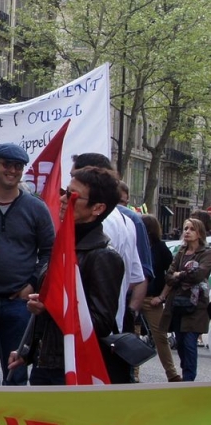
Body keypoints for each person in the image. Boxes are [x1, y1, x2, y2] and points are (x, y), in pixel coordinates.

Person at [11, 167, 127, 384]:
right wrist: (28, 350)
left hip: (73, 369)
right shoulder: (65, 244)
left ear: (98, 208)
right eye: (65, 191)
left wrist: (50, 307)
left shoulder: (103, 257)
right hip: (47, 363)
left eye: (72, 195)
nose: (63, 199)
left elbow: (99, 323)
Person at [0, 142, 55, 385]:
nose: (12, 171)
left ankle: (13, 423)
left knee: (15, 372)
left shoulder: (36, 208)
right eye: (7, 165)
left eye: (18, 166)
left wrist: (32, 284)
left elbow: (50, 252)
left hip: (19, 304)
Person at [70, 153, 147, 330]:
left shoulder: (100, 225)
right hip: (112, 324)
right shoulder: (127, 220)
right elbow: (136, 277)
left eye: (74, 192)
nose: (65, 197)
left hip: (89, 334)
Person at [154, 218, 211, 382]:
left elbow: (199, 275)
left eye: (191, 229)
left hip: (196, 305)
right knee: (180, 342)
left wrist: (180, 275)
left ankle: (188, 380)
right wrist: (178, 276)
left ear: (199, 233)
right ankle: (186, 372)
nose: (187, 231)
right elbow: (169, 277)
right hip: (177, 303)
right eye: (185, 228)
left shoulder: (206, 253)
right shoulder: (180, 252)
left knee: (189, 342)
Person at [140, 213, 180, 382]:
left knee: (160, 337)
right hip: (132, 298)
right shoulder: (135, 245)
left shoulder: (160, 248)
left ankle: (172, 373)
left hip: (152, 298)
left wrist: (162, 296)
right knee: (131, 337)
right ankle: (132, 374)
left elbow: (170, 276)